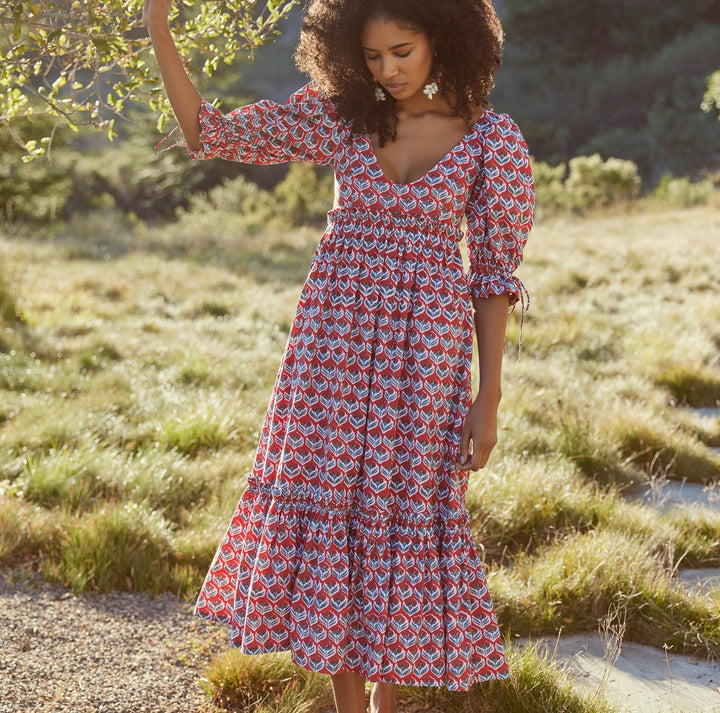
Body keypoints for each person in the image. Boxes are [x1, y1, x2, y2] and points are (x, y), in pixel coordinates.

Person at [143, 0, 534, 711]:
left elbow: (493, 280)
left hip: (426, 360)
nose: (387, 71)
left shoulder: (492, 141)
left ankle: (387, 701)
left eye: (402, 52)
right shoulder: (343, 117)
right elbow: (208, 133)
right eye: (373, 57)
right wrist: (159, 27)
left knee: (404, 511)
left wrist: (490, 396)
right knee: (334, 511)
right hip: (332, 350)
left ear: (445, 39)